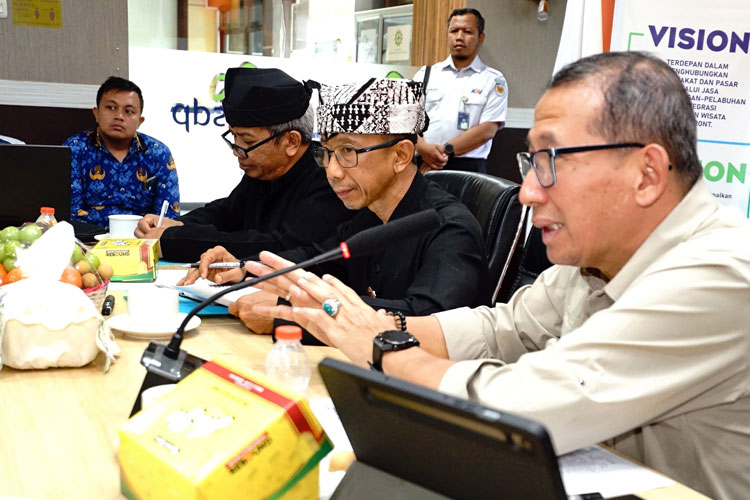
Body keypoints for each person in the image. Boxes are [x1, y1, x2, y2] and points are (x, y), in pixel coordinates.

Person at [246, 52, 750, 500]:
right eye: (532, 162)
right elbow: (502, 329)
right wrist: (352, 321)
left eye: (551, 161)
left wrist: (383, 347)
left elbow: (523, 405)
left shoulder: (722, 273)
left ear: (646, 174)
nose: (528, 191)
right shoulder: (595, 258)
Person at [184, 78, 490, 340]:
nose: (332, 171)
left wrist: (290, 316)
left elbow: (423, 322)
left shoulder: (450, 230)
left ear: (400, 156)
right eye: (326, 153)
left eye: (347, 151)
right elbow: (317, 260)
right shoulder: (370, 217)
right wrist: (242, 269)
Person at [135, 68, 352, 262]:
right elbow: (226, 213)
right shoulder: (262, 170)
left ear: (291, 142)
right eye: (234, 137)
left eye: (247, 141)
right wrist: (176, 225)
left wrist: (174, 239)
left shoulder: (328, 178)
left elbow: (278, 246)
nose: (237, 150)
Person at [65, 76, 180, 229]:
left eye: (129, 111)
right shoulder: (74, 149)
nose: (119, 116)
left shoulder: (158, 153)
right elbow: (70, 213)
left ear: (140, 121)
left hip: (144, 239)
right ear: (96, 113)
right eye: (111, 108)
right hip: (88, 240)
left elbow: (168, 217)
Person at [413, 8, 507, 174]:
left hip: (469, 168)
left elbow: (488, 129)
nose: (459, 37)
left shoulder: (493, 79)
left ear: (481, 38)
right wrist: (424, 149)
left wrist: (444, 151)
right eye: (454, 31)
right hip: (424, 163)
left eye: (468, 32)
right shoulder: (426, 74)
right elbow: (407, 119)